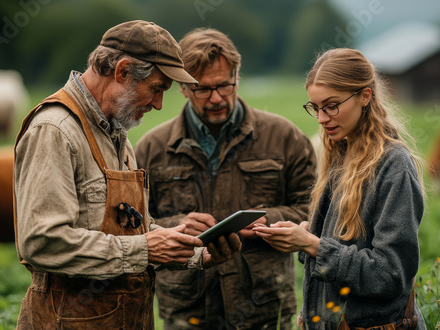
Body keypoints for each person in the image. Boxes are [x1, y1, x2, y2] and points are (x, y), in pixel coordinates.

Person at [13, 20, 241, 330]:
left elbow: (130, 228)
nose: (159, 104)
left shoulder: (116, 130)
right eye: (157, 88)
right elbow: (41, 242)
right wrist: (145, 248)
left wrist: (196, 252)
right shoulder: (55, 130)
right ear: (122, 72)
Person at [134, 28, 316, 329]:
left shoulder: (285, 138)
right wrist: (175, 226)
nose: (216, 98)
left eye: (225, 86)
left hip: (264, 306)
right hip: (187, 309)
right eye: (202, 89)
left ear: (237, 76)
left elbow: (315, 210)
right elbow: (131, 223)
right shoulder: (151, 148)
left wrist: (266, 221)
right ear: (182, 87)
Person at [253, 48, 427, 330]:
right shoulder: (341, 153)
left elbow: (390, 274)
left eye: (331, 105)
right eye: (316, 107)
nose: (321, 118)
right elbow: (346, 245)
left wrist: (312, 244)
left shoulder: (394, 165)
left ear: (365, 96)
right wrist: (306, 235)